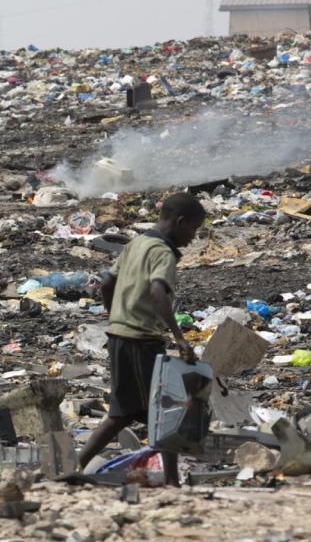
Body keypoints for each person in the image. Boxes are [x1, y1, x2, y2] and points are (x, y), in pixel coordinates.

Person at [77, 192, 205, 487]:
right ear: (180, 222)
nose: (192, 237)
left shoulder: (136, 243)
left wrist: (114, 314)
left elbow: (107, 282)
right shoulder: (163, 252)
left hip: (119, 335)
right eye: (193, 230)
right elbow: (158, 293)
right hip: (142, 340)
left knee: (122, 413)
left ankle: (76, 464)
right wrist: (179, 338)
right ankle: (172, 481)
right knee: (166, 412)